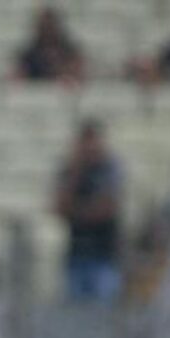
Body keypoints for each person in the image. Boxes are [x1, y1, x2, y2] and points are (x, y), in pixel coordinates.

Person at [54, 119, 124, 302]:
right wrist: (77, 171)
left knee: (104, 314)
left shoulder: (109, 168)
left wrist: (76, 212)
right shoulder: (70, 169)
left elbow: (107, 208)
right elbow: (59, 206)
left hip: (104, 256)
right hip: (76, 254)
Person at [13, 7, 84, 85]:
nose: (48, 30)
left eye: (50, 25)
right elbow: (20, 74)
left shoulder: (67, 51)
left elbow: (78, 69)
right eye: (44, 26)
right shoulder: (30, 53)